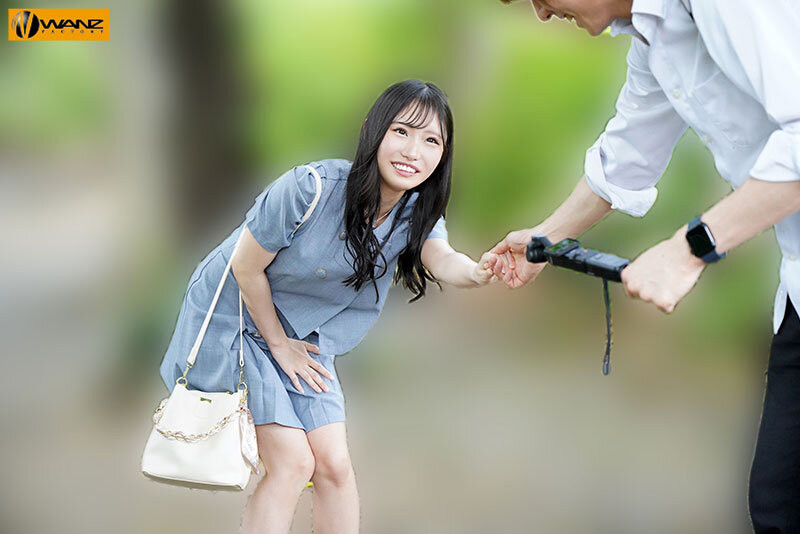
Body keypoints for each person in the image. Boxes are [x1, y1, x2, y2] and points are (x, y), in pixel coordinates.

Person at [491, 1, 800, 531]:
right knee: (778, 501)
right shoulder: (654, 36)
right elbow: (628, 153)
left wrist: (689, 249)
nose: (540, 13)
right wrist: (544, 240)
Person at [159, 79, 497, 534]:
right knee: (293, 462)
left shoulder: (417, 213)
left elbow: (443, 259)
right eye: (401, 131)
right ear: (373, 130)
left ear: (444, 154)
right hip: (233, 316)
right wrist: (278, 345)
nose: (413, 151)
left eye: (431, 140)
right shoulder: (310, 187)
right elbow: (245, 267)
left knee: (335, 467)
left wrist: (480, 272)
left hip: (301, 338)